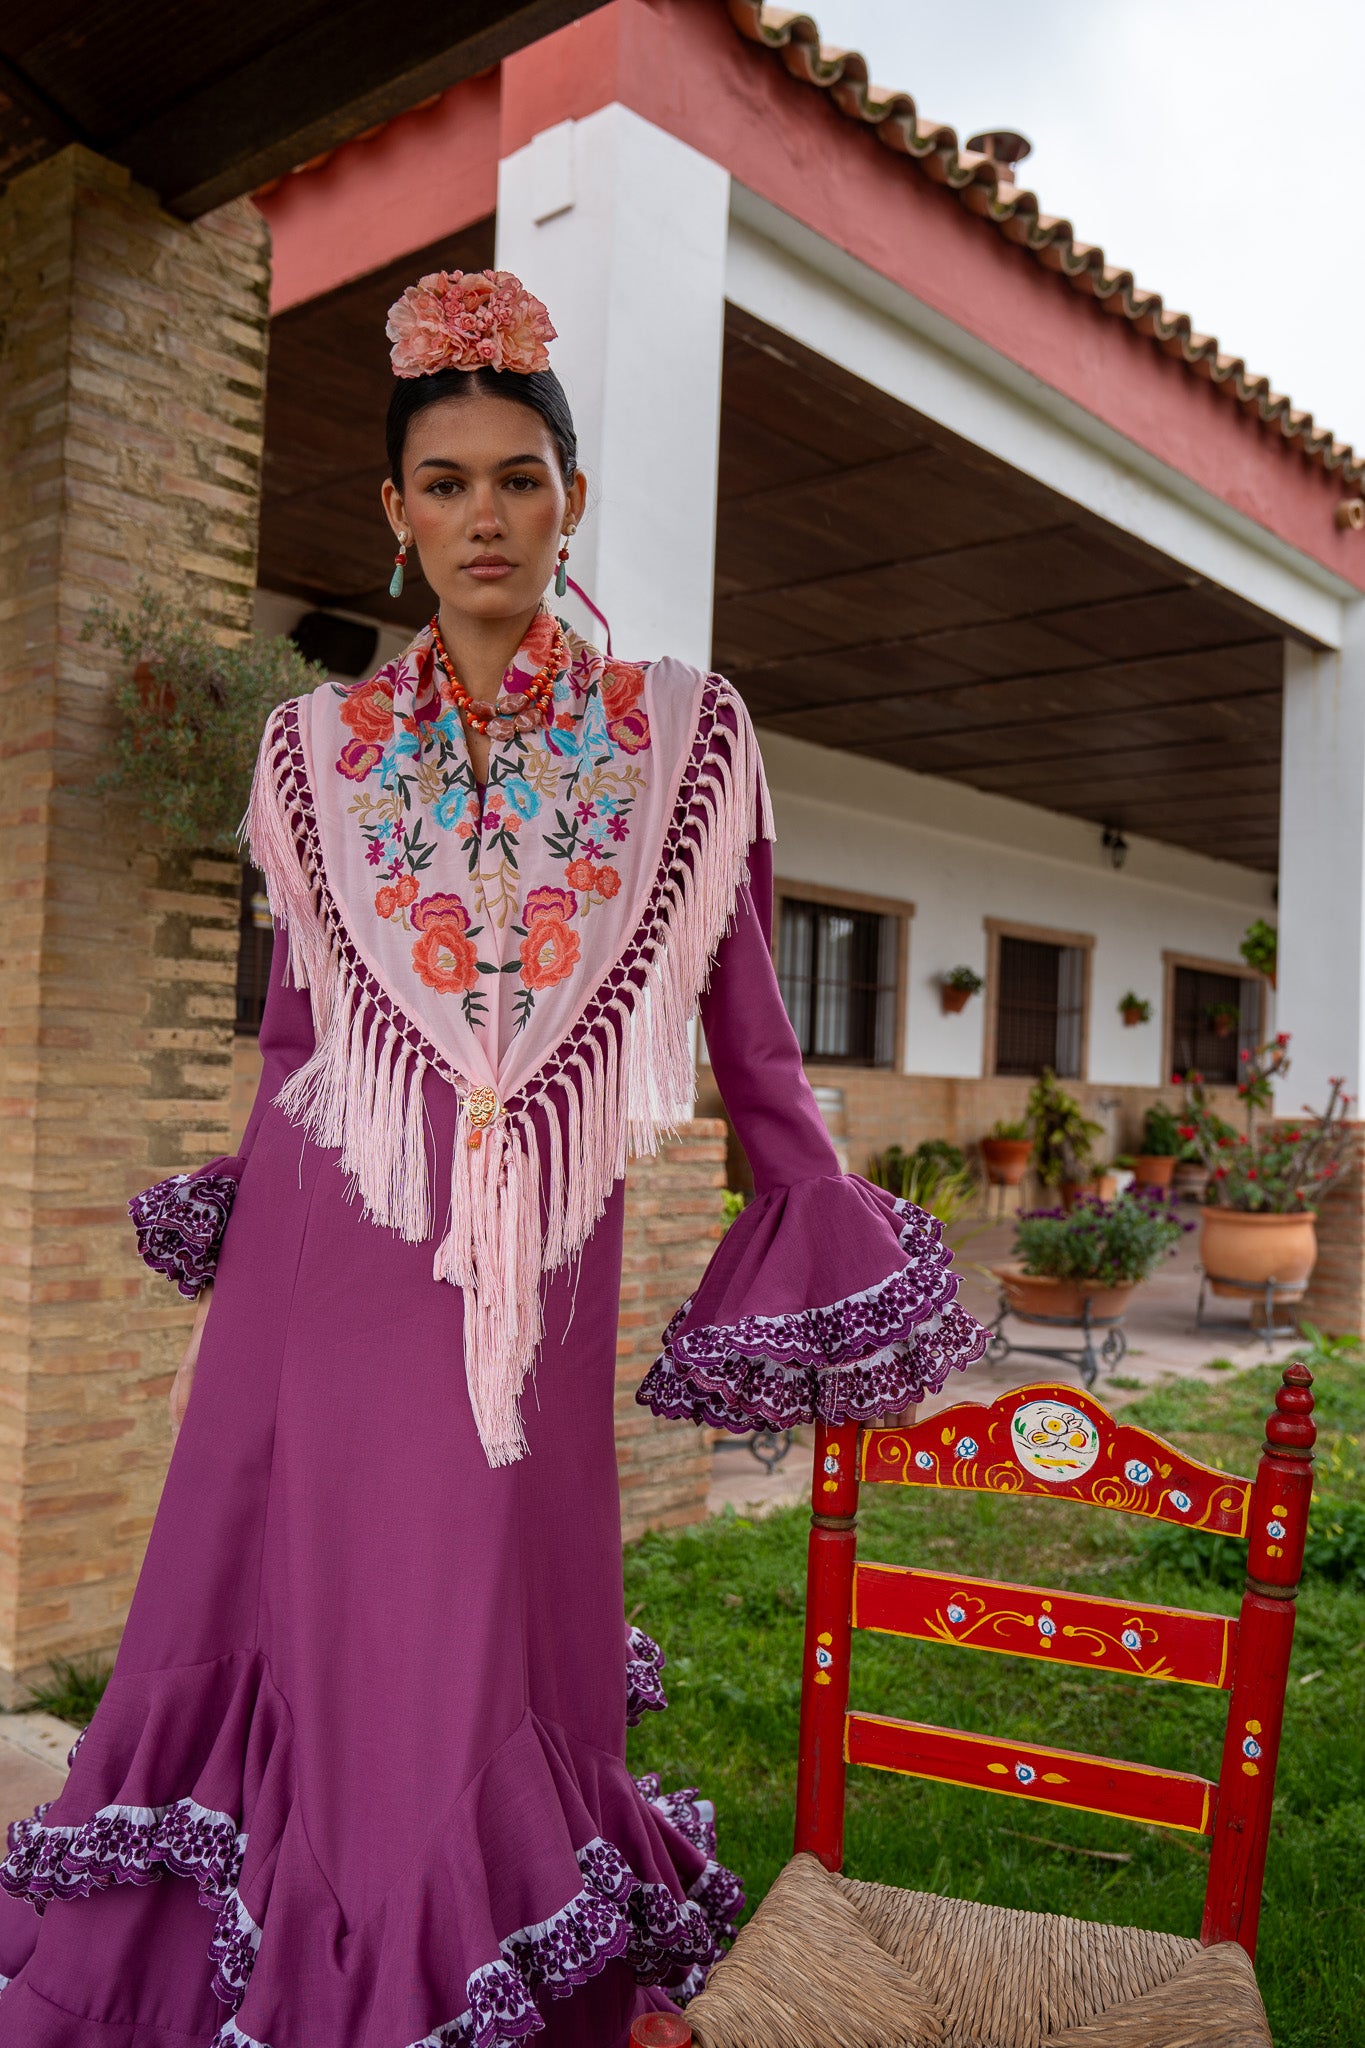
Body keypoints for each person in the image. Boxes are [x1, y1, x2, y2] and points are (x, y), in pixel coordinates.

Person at [0, 270, 988, 2048]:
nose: (482, 514)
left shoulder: (678, 739)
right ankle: (287, 1939)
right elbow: (301, 1036)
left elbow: (749, 1012)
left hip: (533, 1254)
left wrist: (805, 1200)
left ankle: (435, 1932)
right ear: (392, 516)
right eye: (443, 483)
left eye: (516, 478)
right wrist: (234, 1218)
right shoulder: (312, 750)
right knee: (282, 1585)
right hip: (329, 1239)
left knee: (471, 1608)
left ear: (569, 500)